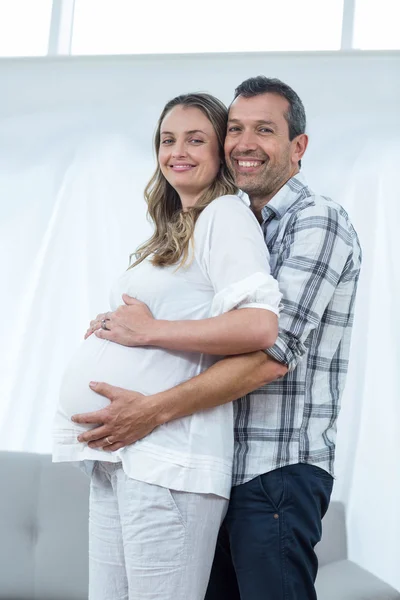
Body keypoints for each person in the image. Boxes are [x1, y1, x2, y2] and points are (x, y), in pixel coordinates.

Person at [73, 77, 362, 600]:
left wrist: (151, 404)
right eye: (236, 129)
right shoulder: (236, 220)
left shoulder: (316, 220)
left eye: (265, 130)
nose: (245, 143)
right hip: (218, 462)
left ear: (298, 146)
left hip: (275, 469)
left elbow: (271, 354)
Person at [52, 92, 282, 600]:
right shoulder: (178, 228)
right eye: (167, 139)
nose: (177, 151)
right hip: (125, 456)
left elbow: (261, 327)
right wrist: (115, 326)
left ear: (221, 151)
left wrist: (145, 332)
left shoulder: (225, 214)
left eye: (196, 139)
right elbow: (168, 314)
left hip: (171, 463)